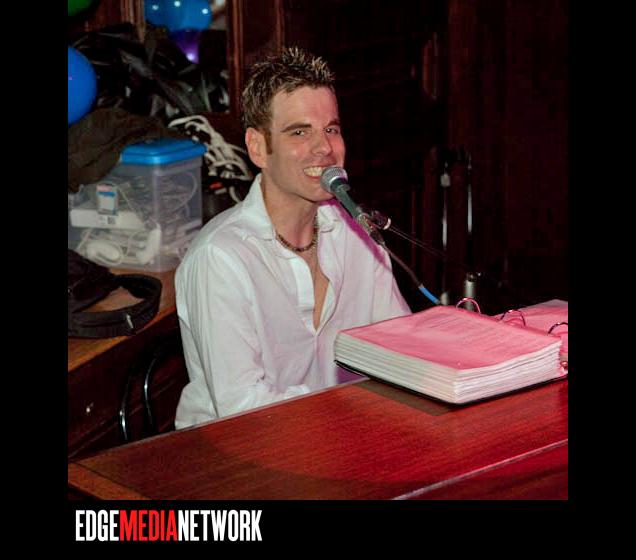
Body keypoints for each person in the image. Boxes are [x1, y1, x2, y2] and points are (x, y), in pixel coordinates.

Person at [174, 46, 411, 428]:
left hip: (340, 437)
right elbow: (243, 409)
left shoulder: (358, 236)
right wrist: (352, 414)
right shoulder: (221, 258)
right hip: (235, 451)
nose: (325, 148)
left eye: (331, 129)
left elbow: (402, 351)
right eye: (300, 132)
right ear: (258, 147)